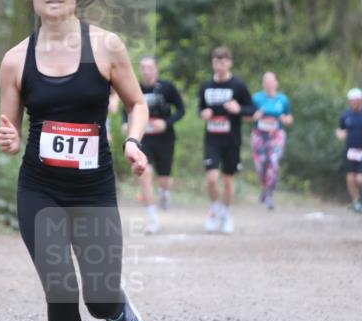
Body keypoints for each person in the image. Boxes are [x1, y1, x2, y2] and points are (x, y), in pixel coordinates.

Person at [0, 0, 148, 321]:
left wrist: (133, 141)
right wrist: (7, 135)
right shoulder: (16, 60)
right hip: (39, 188)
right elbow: (10, 125)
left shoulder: (106, 46)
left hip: (93, 189)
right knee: (60, 287)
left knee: (98, 295)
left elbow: (136, 104)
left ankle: (118, 310)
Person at [122, 56, 185, 233]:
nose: (146, 71)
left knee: (164, 179)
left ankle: (164, 193)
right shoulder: (135, 88)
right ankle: (153, 219)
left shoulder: (167, 87)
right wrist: (125, 122)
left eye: (150, 67)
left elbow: (181, 110)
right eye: (143, 67)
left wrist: (167, 123)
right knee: (145, 172)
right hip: (143, 138)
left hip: (165, 138)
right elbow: (127, 108)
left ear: (156, 69)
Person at [198, 46, 254, 233]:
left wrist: (239, 110)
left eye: (222, 61)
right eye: (215, 61)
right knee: (212, 178)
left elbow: (251, 110)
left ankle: (227, 214)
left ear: (229, 63)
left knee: (228, 180)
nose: (219, 65)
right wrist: (203, 113)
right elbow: (201, 108)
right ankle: (215, 209)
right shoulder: (206, 86)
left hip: (232, 139)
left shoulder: (238, 85)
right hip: (212, 139)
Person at [250, 71, 293, 211]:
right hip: (259, 134)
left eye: (271, 81)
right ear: (263, 83)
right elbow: (247, 116)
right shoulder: (256, 98)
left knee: (273, 162)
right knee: (261, 165)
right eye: (265, 81)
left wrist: (284, 119)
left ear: (276, 83)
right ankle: (264, 187)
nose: (268, 84)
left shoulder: (283, 99)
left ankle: (270, 194)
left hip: (276, 135)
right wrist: (255, 116)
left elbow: (289, 118)